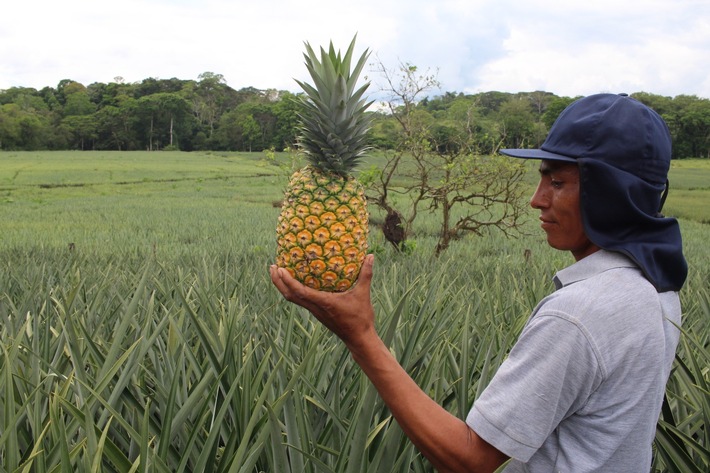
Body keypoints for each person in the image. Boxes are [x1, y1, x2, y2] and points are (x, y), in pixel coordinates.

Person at [269, 93, 687, 472]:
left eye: (557, 182)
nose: (537, 199)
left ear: (613, 194)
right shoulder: (656, 288)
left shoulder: (580, 315)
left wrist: (359, 335)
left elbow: (470, 459)